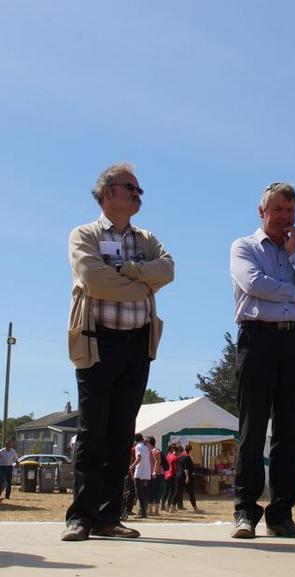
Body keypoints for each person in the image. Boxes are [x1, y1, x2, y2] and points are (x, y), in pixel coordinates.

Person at [61, 162, 174, 541]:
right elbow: (94, 280)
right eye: (131, 188)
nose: (137, 195)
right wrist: (142, 282)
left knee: (122, 433)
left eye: (140, 191)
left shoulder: (147, 239)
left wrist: (126, 271)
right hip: (98, 341)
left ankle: (110, 517)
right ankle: (81, 516)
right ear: (107, 192)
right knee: (93, 433)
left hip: (137, 344)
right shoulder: (85, 234)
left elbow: (168, 270)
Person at [229, 182, 295, 539]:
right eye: (278, 210)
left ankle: (281, 513)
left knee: (291, 429)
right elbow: (254, 283)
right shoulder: (245, 247)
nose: (285, 218)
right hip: (258, 338)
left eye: (291, 211)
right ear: (262, 213)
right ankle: (245, 511)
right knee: (253, 427)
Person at [130, 433, 151, 518]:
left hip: (139, 472)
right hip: (145, 472)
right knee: (142, 493)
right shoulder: (145, 447)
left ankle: (143, 512)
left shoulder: (138, 447)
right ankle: (143, 511)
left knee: (139, 493)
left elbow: (139, 458)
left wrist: (131, 467)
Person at [176, 444, 202, 513]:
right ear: (190, 450)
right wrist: (187, 477)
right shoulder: (187, 457)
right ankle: (195, 508)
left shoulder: (181, 457)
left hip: (179, 475)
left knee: (178, 492)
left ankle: (172, 507)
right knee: (191, 493)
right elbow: (186, 468)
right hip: (185, 476)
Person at [147, 436, 164, 516]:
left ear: (149, 443)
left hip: (157, 474)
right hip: (152, 474)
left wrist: (154, 472)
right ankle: (150, 510)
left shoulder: (155, 450)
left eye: (146, 442)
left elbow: (157, 461)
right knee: (151, 491)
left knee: (155, 492)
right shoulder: (151, 450)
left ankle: (156, 511)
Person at [162, 444, 180, 513]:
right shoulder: (175, 458)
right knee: (172, 492)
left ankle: (162, 505)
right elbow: (176, 468)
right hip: (172, 475)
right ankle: (168, 506)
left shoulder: (167, 456)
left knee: (166, 491)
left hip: (166, 475)